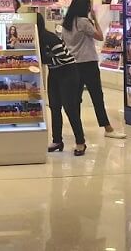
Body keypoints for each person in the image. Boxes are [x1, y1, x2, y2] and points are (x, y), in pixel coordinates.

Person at [62, 0, 126, 138]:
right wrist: (95, 19)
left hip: (73, 64)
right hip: (88, 63)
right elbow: (100, 36)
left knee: (75, 98)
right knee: (97, 96)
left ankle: (77, 130)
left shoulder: (66, 23)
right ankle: (107, 128)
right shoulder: (84, 22)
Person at [37, 13, 87, 156]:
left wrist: (45, 59)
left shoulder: (50, 38)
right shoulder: (37, 39)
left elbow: (64, 58)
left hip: (68, 72)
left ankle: (80, 142)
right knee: (54, 107)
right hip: (54, 72)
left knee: (70, 107)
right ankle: (57, 140)